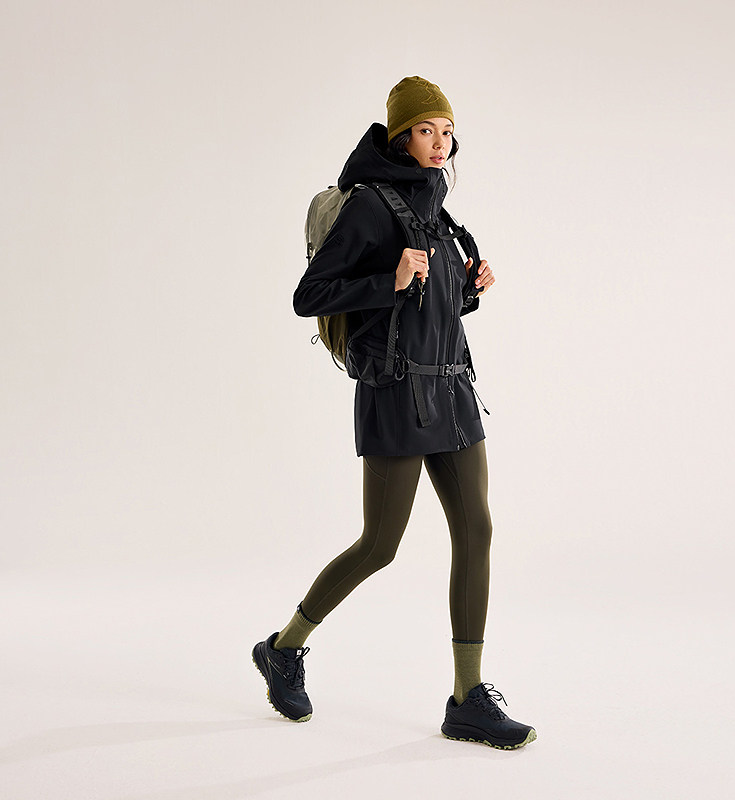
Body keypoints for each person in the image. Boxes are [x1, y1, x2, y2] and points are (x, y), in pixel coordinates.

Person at [252, 76, 536, 750]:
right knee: (380, 545)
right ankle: (283, 648)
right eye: (426, 130)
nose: (439, 143)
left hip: (453, 391)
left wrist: (467, 289)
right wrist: (390, 279)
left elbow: (432, 308)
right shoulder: (371, 207)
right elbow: (309, 295)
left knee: (477, 530)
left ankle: (467, 698)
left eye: (447, 131)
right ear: (400, 136)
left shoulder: (438, 210)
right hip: (395, 395)